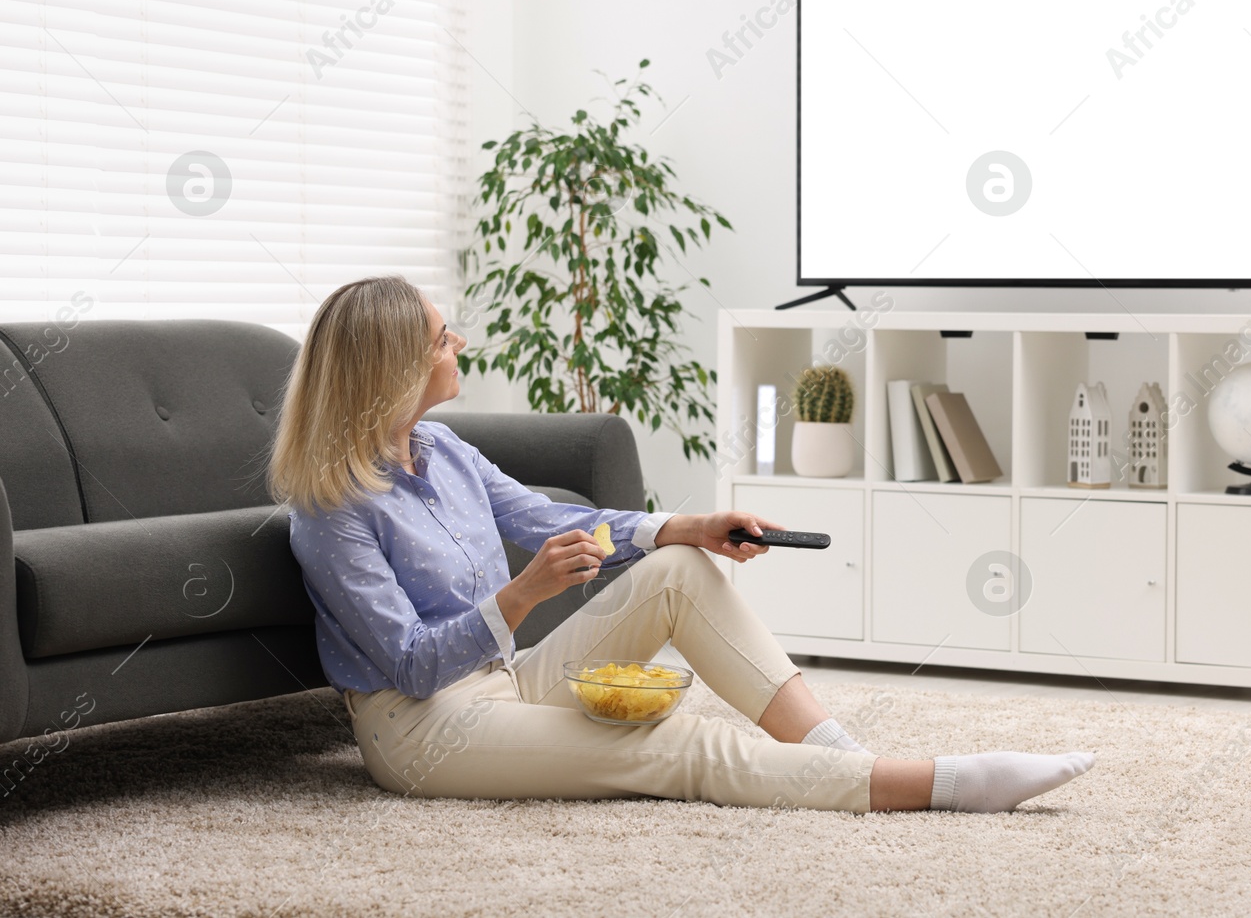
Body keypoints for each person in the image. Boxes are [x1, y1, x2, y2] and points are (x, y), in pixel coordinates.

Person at [269, 275, 1094, 814]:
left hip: (504, 682)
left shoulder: (444, 450)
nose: (459, 346)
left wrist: (686, 526)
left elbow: (547, 519)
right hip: (421, 730)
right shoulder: (332, 509)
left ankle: (838, 751)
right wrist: (522, 595)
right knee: (670, 746)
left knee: (676, 568)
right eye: (444, 338)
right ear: (391, 367)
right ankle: (933, 785)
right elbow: (411, 664)